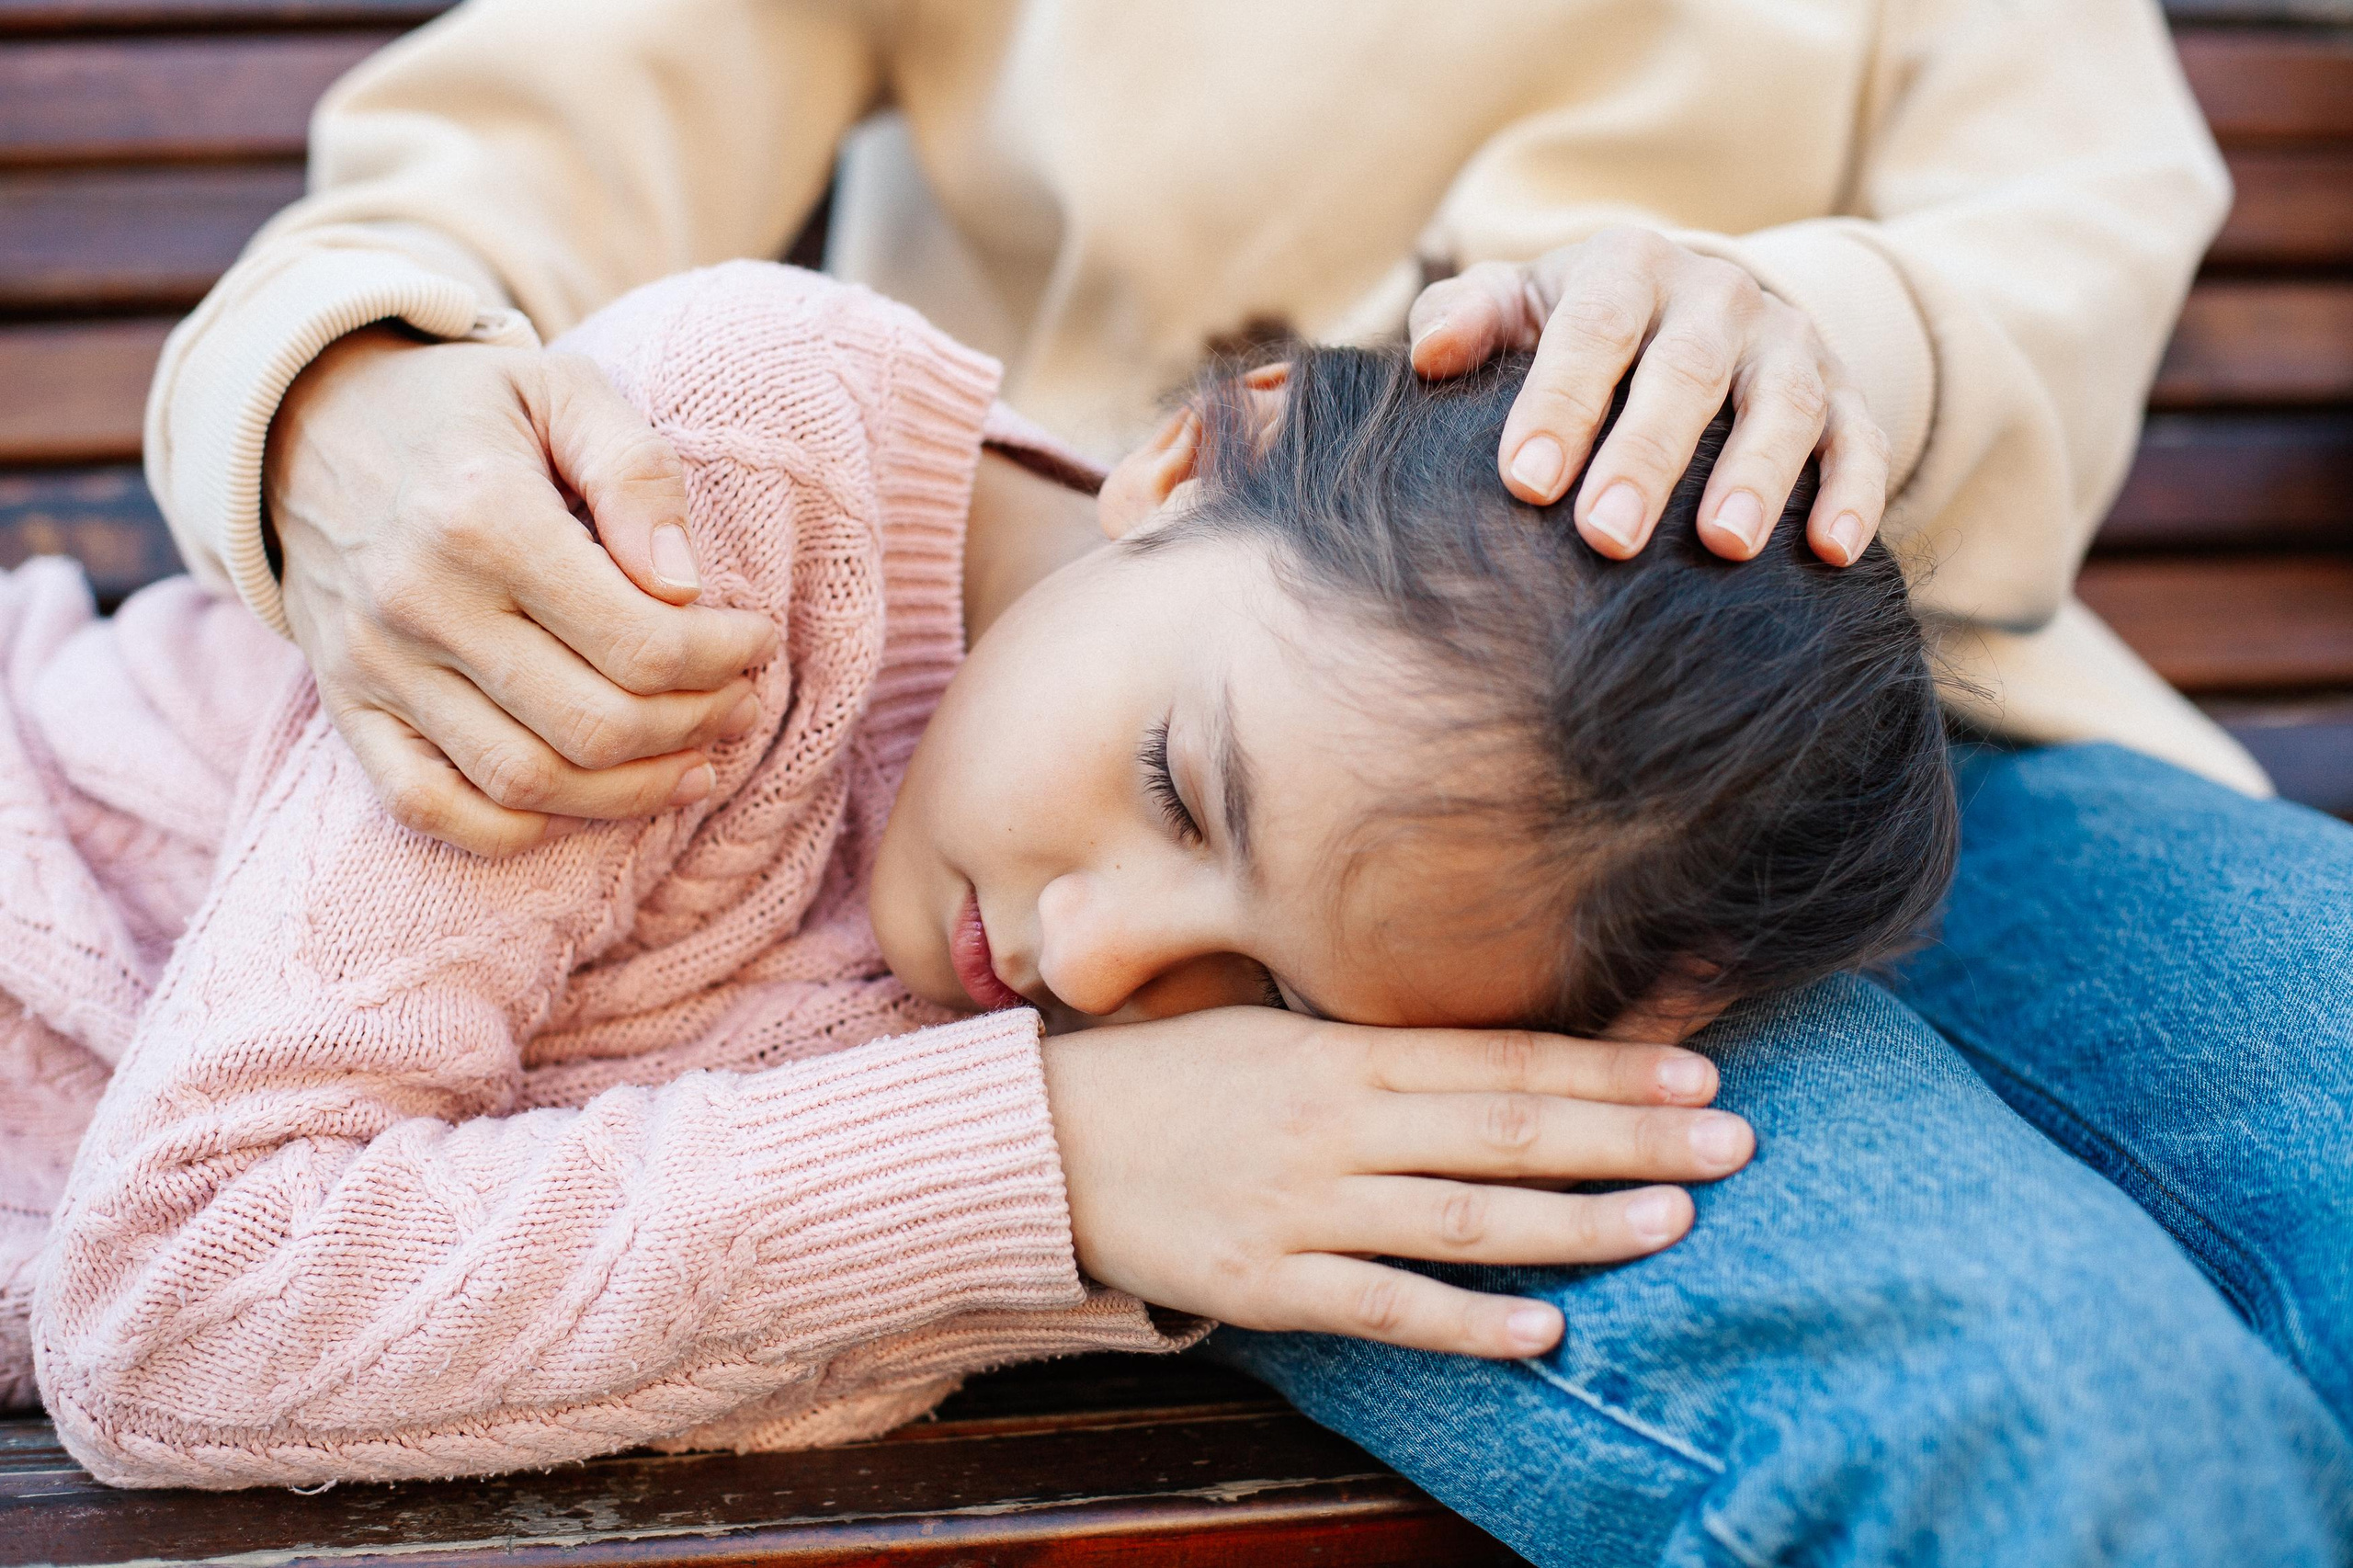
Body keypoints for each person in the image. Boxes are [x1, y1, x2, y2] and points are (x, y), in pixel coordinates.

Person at [115, 0, 2353, 1559]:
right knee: (2036, 1410)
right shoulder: (862, 620)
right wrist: (357, 379)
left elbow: (2066, 205)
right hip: (1239, 859)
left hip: (1889, 712)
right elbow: (536, 134)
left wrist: (1798, 353)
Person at [19, 261, 1946, 1483]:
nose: (1095, 974)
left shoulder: (1114, 1045)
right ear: (1196, 457)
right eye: (1179, 788)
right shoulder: (714, 505)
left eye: (1275, 1009)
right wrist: (1053, 1163)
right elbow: (179, 1298)